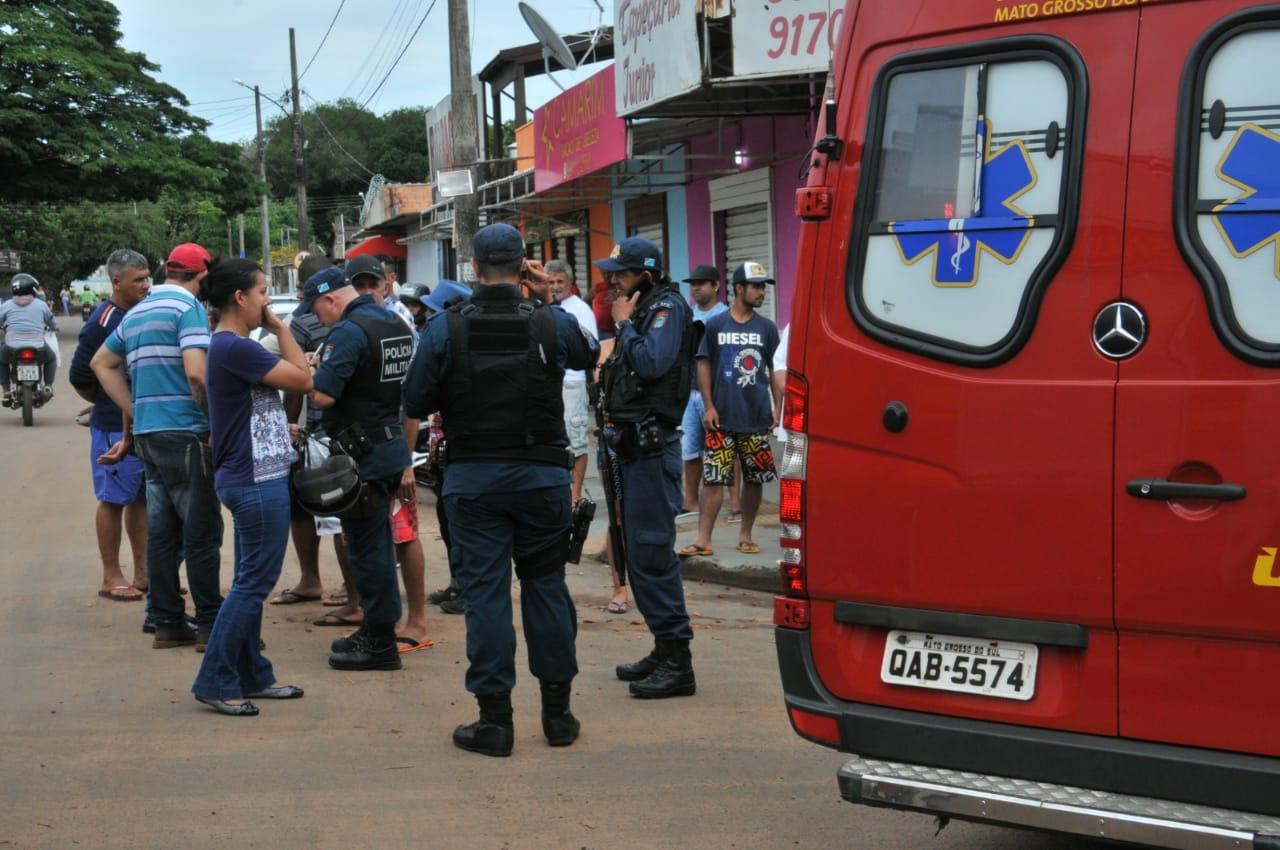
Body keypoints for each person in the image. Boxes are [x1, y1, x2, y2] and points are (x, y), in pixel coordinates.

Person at [403, 223, 598, 757]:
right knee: (545, 587)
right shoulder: (549, 321)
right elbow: (588, 353)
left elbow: (415, 399)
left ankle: (495, 723)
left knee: (486, 595)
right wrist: (547, 295)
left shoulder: (446, 327)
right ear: (523, 267)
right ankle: (557, 716)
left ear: (471, 270)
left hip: (474, 480)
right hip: (542, 478)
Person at [193, 259, 312, 717]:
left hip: (252, 476)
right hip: (254, 480)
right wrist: (281, 327)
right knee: (253, 584)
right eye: (262, 292)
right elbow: (303, 378)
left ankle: (252, 673)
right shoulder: (235, 347)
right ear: (240, 298)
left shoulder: (231, 345)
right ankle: (217, 679)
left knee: (250, 580)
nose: (267, 301)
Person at [91, 242, 224, 650]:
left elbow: (102, 363)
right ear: (200, 275)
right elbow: (198, 375)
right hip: (186, 433)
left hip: (149, 436)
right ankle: (209, 625)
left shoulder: (138, 313)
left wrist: (135, 409)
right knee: (202, 533)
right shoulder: (189, 310)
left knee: (163, 533)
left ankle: (167, 622)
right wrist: (216, 422)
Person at [595, 237, 699, 699]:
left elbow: (653, 363)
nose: (614, 281)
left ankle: (678, 661)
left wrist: (624, 327)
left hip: (655, 450)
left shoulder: (667, 309)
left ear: (648, 275)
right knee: (637, 552)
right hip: (633, 447)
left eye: (622, 273)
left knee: (653, 552)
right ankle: (663, 647)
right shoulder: (642, 311)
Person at [303, 263, 414, 671]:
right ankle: (376, 628)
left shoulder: (349, 332)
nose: (318, 318)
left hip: (363, 455)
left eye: (317, 310)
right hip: (388, 445)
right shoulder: (394, 322)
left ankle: (380, 640)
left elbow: (324, 397)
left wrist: (313, 370)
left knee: (368, 551)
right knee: (377, 545)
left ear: (331, 299)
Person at [343, 254, 431, 653]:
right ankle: (377, 617)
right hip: (376, 449)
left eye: (371, 284)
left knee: (404, 533)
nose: (366, 291)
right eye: (358, 285)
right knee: (371, 537)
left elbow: (409, 401)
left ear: (387, 283)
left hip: (394, 446)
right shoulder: (361, 325)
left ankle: (417, 620)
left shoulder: (399, 324)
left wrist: (406, 458)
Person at [265, 258, 351, 612]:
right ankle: (320, 582)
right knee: (311, 505)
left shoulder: (314, 323)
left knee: (337, 506)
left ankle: (340, 584)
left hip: (330, 428)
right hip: (320, 428)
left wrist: (287, 426)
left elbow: (296, 383)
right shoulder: (304, 322)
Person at [682, 262, 783, 558]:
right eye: (756, 286)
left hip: (756, 418)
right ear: (739, 288)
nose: (761, 292)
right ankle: (703, 539)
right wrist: (709, 406)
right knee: (713, 477)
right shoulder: (716, 325)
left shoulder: (766, 328)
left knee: (755, 478)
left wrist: (779, 408)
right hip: (721, 419)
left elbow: (776, 369)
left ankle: (746, 534)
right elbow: (703, 363)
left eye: (763, 287)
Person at [68, 250, 151, 602]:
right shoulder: (104, 320)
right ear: (116, 282)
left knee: (141, 498)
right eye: (138, 281)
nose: (146, 286)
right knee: (114, 499)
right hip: (112, 425)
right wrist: (108, 400)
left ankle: (145, 574)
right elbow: (82, 375)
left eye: (148, 278)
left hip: (141, 421)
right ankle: (111, 575)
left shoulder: (137, 312)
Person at [418, 280, 472, 617]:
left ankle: (468, 588)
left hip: (461, 451)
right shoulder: (440, 342)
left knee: (462, 525)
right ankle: (457, 582)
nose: (428, 319)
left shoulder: (459, 349)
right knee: (447, 522)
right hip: (442, 449)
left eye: (434, 312)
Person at [678, 264, 730, 516]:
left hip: (717, 394)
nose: (696, 288)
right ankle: (690, 501)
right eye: (693, 284)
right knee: (689, 450)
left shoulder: (725, 316)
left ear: (716, 285)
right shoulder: (688, 315)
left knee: (722, 449)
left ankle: (735, 503)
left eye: (701, 283)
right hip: (689, 392)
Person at [0, 273, 58, 400]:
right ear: (31, 288)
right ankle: (47, 386)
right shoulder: (41, 304)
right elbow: (51, 321)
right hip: (38, 346)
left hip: (11, 347)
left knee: (2, 361)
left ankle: (6, 390)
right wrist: (54, 327)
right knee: (51, 359)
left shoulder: (6, 305)